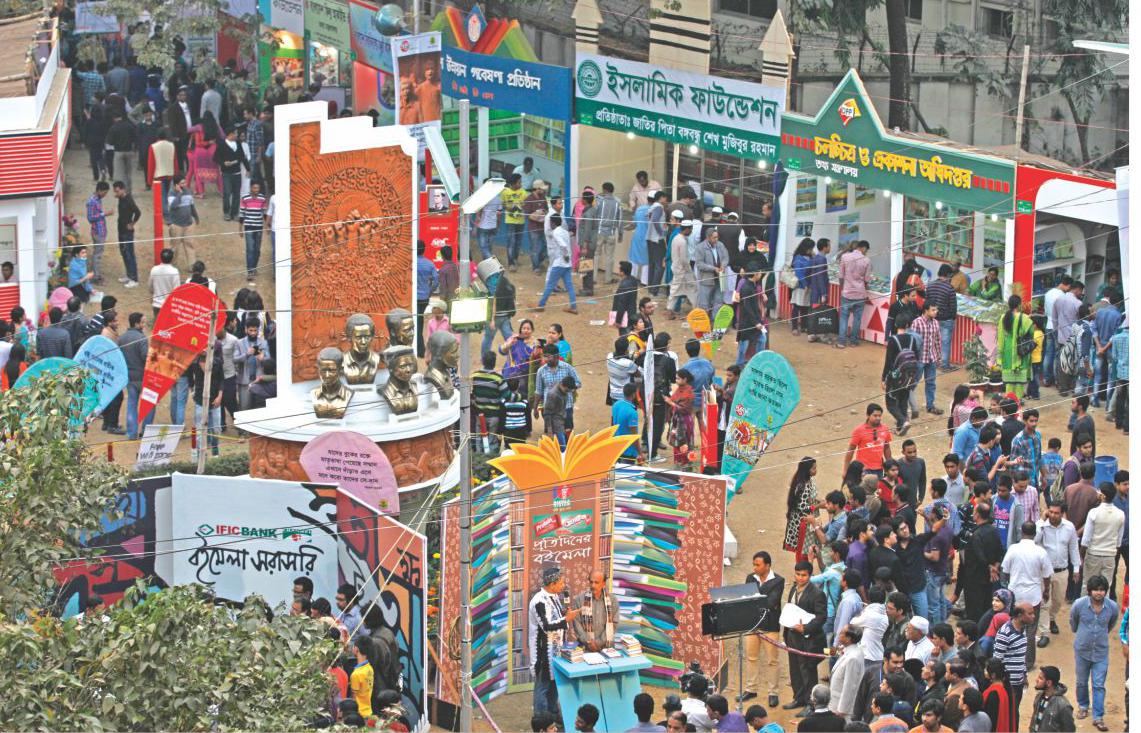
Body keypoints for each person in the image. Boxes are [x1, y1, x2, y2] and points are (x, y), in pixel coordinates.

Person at [528, 566, 581, 715]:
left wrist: (564, 614)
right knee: (542, 688)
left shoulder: (555, 597)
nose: (564, 585)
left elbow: (554, 617)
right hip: (543, 653)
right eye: (561, 582)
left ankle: (552, 717)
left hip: (556, 650)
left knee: (554, 685)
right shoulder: (538, 601)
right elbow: (546, 626)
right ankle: (541, 721)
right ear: (552, 584)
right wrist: (567, 619)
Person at [1069, 574, 1118, 730]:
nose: (1099, 593)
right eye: (1096, 590)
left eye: (1102, 590)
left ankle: (1098, 717)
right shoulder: (1079, 604)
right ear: (1089, 591)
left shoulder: (1112, 607)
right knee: (1081, 682)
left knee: (1098, 685)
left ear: (1106, 591)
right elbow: (1073, 622)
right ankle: (1083, 706)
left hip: (1101, 652)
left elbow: (1111, 624)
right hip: (1082, 650)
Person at [741, 551, 785, 707]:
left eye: (758, 565)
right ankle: (751, 689)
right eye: (754, 564)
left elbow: (771, 603)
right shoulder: (750, 578)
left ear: (767, 565)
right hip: (752, 625)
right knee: (751, 658)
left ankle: (773, 692)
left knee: (772, 660)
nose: (754, 568)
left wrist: (754, 599)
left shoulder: (778, 580)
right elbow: (747, 600)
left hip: (770, 626)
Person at [784, 560, 827, 717]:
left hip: (808, 639)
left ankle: (811, 704)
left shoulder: (817, 593)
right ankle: (799, 698)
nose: (800, 578)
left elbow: (821, 617)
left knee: (808, 671)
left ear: (810, 575)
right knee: (794, 669)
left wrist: (806, 628)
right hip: (792, 636)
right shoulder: (793, 589)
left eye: (804, 575)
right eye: (798, 574)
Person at [952, 502, 1003, 623]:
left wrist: (991, 567)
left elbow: (980, 556)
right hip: (988, 579)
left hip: (974, 580)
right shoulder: (994, 531)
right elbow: (1000, 551)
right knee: (986, 609)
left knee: (974, 613)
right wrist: (995, 567)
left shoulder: (976, 535)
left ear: (977, 515)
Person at [1080, 482, 1125, 591]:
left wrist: (1081, 556)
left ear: (1102, 496)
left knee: (1088, 585)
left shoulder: (1094, 512)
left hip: (1093, 554)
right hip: (1110, 555)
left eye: (1098, 491)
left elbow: (1086, 539)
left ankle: (1086, 602)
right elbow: (1119, 541)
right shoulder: (1120, 514)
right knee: (1106, 587)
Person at [882, 315, 920, 434]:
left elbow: (888, 361)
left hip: (895, 376)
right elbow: (916, 357)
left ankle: (903, 421)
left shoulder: (893, 340)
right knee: (903, 400)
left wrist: (884, 378)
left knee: (890, 403)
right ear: (908, 325)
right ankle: (900, 428)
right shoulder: (912, 339)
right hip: (909, 375)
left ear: (896, 324)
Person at [120, 312, 152, 440]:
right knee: (149, 404)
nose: (144, 325)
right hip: (143, 377)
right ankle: (146, 431)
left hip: (129, 377)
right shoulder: (142, 338)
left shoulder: (122, 338)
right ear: (136, 323)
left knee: (131, 404)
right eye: (142, 322)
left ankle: (131, 433)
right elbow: (146, 358)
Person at [537, 214, 577, 314]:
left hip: (559, 262)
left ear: (553, 223)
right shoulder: (565, 232)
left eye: (550, 222)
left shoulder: (556, 232)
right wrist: (567, 256)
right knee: (569, 286)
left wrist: (565, 255)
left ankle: (541, 304)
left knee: (550, 285)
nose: (550, 224)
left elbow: (563, 245)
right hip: (567, 264)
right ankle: (574, 307)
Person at [996, 295, 1034, 398]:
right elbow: (1031, 332)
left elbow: (1000, 336)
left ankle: (1008, 401)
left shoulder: (1003, 317)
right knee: (1019, 383)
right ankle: (1017, 402)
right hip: (1020, 352)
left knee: (1009, 382)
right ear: (1019, 305)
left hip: (1007, 352)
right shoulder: (1024, 318)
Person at [837, 240, 872, 348]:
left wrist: (843, 288)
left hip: (847, 293)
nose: (866, 252)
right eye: (866, 250)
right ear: (864, 248)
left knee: (844, 317)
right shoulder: (867, 260)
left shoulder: (845, 257)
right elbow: (866, 279)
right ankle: (853, 341)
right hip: (860, 294)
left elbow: (841, 276)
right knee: (857, 319)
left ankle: (841, 342)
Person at [784, 458, 819, 563]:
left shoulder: (808, 480)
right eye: (813, 468)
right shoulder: (803, 485)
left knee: (804, 546)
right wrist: (817, 506)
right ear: (807, 470)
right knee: (802, 547)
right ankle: (800, 567)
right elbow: (802, 507)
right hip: (802, 522)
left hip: (806, 519)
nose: (816, 470)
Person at [844, 404, 892, 478]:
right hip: (863, 470)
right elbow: (851, 450)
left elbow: (887, 448)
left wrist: (890, 465)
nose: (878, 418)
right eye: (875, 415)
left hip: (880, 469)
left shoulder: (885, 429)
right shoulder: (859, 430)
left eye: (880, 416)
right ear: (868, 415)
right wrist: (845, 470)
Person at [831, 626, 866, 718]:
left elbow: (850, 686)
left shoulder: (853, 658)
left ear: (848, 638)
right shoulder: (848, 651)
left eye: (842, 633)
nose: (839, 634)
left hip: (843, 709)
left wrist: (842, 709)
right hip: (836, 702)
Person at [1028, 666, 1074, 732]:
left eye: (1040, 678)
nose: (1036, 680)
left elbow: (1069, 729)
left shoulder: (1063, 705)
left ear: (1049, 683)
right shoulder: (1038, 697)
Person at [667, 219, 698, 318]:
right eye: (691, 229)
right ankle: (696, 311)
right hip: (683, 270)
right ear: (687, 229)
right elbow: (684, 260)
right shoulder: (682, 241)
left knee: (676, 290)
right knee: (693, 288)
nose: (691, 231)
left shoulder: (676, 238)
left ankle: (671, 310)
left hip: (677, 268)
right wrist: (689, 270)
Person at [612, 383, 644, 464]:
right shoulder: (632, 412)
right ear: (633, 395)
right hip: (628, 451)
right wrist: (640, 453)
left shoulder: (616, 404)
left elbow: (612, 424)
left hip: (616, 446)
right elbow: (634, 437)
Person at [980, 658, 1015, 732]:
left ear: (993, 675)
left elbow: (991, 719)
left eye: (986, 669)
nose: (984, 671)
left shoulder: (994, 693)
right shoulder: (1005, 687)